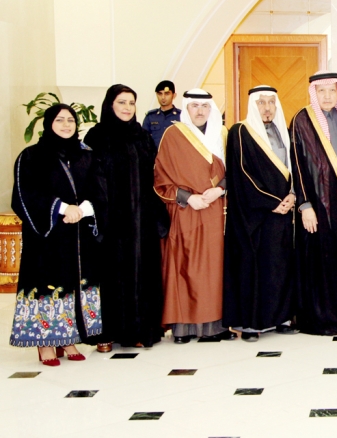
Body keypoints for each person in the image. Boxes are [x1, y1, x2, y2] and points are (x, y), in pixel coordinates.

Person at [10, 105, 103, 365]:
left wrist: (83, 209)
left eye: (70, 120)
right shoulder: (31, 156)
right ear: (49, 123)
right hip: (47, 237)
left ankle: (68, 338)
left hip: (78, 235)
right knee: (47, 282)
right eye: (60, 120)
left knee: (73, 282)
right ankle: (45, 342)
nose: (66, 125)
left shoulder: (86, 155)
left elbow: (100, 189)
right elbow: (25, 194)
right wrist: (62, 208)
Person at [84, 85, 166, 351]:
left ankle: (141, 329)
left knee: (143, 272)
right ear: (110, 104)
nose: (128, 107)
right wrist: (101, 216)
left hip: (142, 219)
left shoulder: (142, 137)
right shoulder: (97, 136)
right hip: (112, 221)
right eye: (122, 102)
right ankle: (108, 333)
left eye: (132, 102)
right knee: (113, 274)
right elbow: (90, 179)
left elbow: (154, 176)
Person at [154, 89, 234, 344]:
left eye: (205, 106)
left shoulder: (222, 134)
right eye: (195, 106)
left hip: (216, 210)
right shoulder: (173, 135)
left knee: (213, 270)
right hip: (185, 211)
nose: (200, 111)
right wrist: (189, 198)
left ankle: (215, 326)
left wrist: (220, 189)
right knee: (185, 267)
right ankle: (183, 329)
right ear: (186, 108)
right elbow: (160, 178)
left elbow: (234, 170)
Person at [224, 85, 297, 342]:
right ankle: (251, 324)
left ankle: (280, 318)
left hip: (283, 211)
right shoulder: (240, 131)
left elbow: (292, 167)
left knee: (279, 266)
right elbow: (242, 174)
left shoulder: (282, 131)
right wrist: (270, 202)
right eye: (261, 103)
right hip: (253, 214)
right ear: (253, 105)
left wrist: (292, 195)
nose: (267, 108)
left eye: (271, 103)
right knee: (255, 268)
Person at [290, 72, 337, 336]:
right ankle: (323, 320)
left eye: (332, 90)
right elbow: (296, 165)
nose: (327, 96)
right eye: (322, 91)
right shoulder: (302, 120)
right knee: (321, 261)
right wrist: (304, 205)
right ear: (314, 93)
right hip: (316, 202)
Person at [142, 80, 182, 148]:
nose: (163, 97)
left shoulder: (181, 116)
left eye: (167, 94)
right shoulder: (150, 117)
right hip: (155, 153)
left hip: (174, 153)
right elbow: (143, 139)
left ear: (174, 95)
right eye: (160, 94)